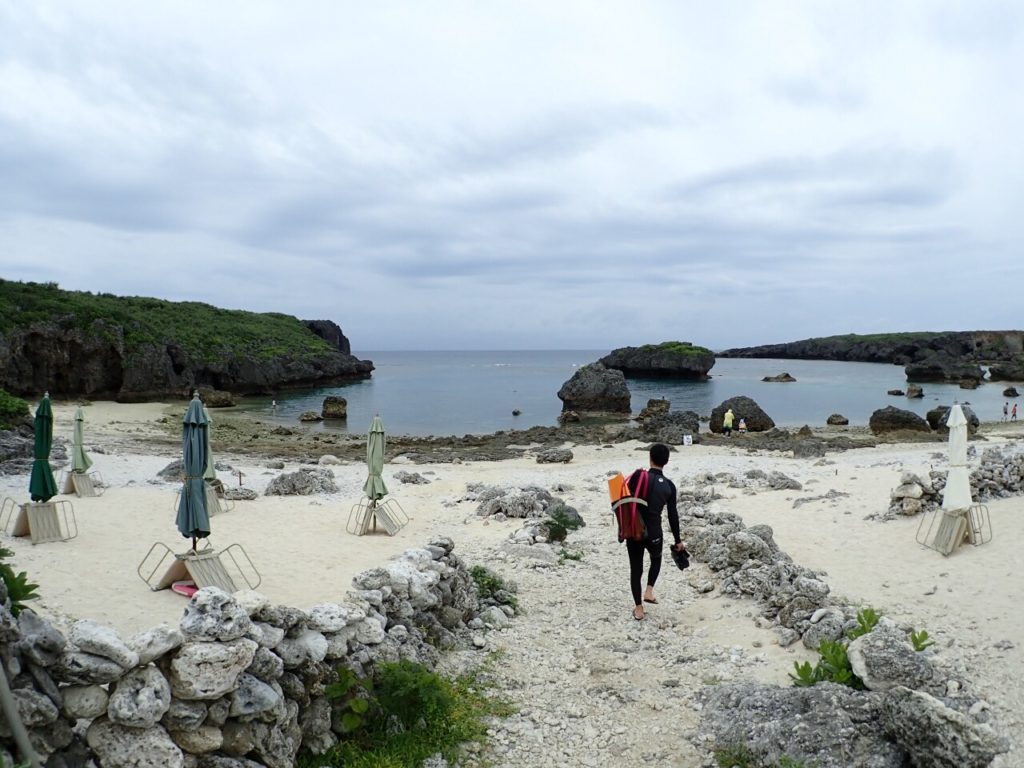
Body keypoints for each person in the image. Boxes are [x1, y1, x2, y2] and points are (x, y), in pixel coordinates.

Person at [626, 443, 684, 621]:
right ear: (666, 461)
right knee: (656, 559)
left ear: (650, 458)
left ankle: (638, 609)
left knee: (636, 569)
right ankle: (649, 591)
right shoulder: (669, 486)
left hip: (635, 530)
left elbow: (625, 500)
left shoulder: (637, 478)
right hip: (654, 532)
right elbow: (672, 516)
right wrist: (677, 540)